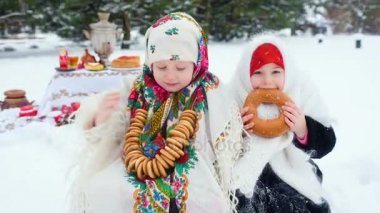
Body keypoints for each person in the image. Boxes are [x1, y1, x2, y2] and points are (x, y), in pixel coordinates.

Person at [69, 12, 239, 213]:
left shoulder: (212, 92)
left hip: (195, 171)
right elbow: (111, 134)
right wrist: (102, 120)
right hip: (137, 166)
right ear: (150, 63)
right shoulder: (138, 90)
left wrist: (239, 129)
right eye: (161, 66)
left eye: (180, 67)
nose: (170, 75)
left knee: (204, 203)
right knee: (102, 188)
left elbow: (230, 134)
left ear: (197, 62)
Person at [230, 35, 336, 213]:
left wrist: (303, 129)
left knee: (297, 205)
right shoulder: (235, 96)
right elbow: (217, 147)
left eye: (276, 72)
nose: (267, 81)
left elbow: (326, 143)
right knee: (240, 202)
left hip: (291, 170)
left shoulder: (301, 93)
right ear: (245, 74)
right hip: (249, 170)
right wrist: (236, 132)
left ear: (287, 72)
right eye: (258, 73)